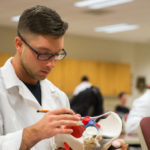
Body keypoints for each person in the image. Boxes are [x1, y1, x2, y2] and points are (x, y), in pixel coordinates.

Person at [0, 5, 81, 150]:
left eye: (57, 54)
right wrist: (35, 133)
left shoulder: (59, 97)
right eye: (43, 53)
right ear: (19, 44)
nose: (51, 64)